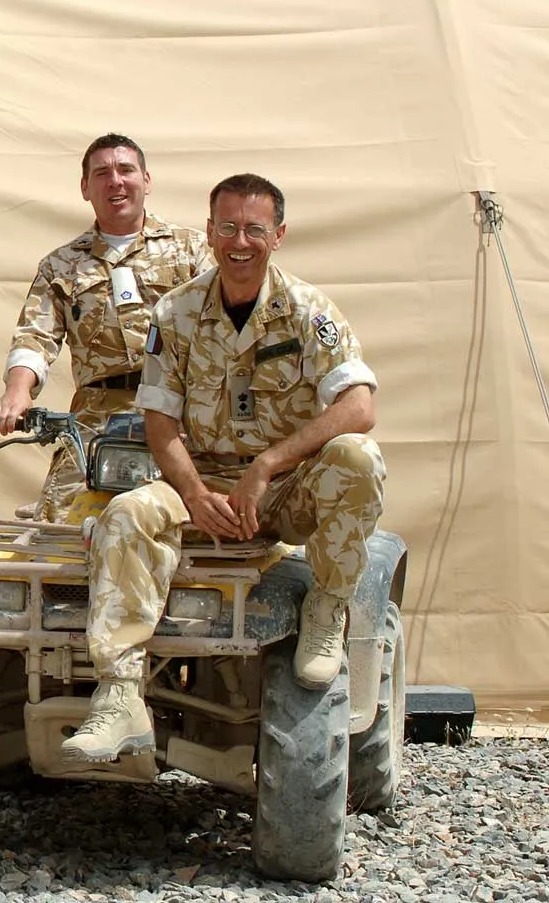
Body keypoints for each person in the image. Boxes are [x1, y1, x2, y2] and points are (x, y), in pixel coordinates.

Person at [62, 173, 385, 763]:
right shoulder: (176, 313)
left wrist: (269, 464)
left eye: (255, 229)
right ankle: (120, 695)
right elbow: (160, 420)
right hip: (204, 483)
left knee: (357, 459)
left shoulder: (309, 310)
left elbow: (358, 406)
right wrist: (192, 491)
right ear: (209, 231)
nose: (241, 241)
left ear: (278, 235)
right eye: (228, 227)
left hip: (286, 488)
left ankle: (327, 609)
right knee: (126, 512)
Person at [0, 134, 211, 520]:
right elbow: (34, 337)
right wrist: (16, 392)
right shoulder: (60, 266)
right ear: (85, 188)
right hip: (96, 422)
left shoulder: (191, 251)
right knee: (60, 521)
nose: (115, 181)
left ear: (147, 181)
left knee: (210, 515)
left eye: (126, 170)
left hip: (183, 410)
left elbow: (225, 325)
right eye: (102, 173)